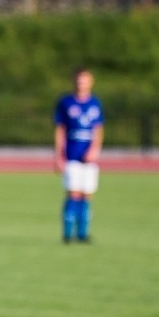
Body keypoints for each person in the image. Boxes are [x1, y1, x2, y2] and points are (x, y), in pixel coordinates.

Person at [54, 67, 104, 243]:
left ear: (91, 82)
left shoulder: (95, 103)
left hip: (89, 158)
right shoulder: (66, 103)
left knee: (87, 194)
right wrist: (58, 155)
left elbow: (98, 129)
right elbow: (60, 130)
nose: (80, 83)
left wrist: (95, 149)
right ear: (73, 81)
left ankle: (82, 233)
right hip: (71, 156)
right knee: (73, 193)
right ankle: (68, 234)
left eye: (84, 80)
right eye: (78, 80)